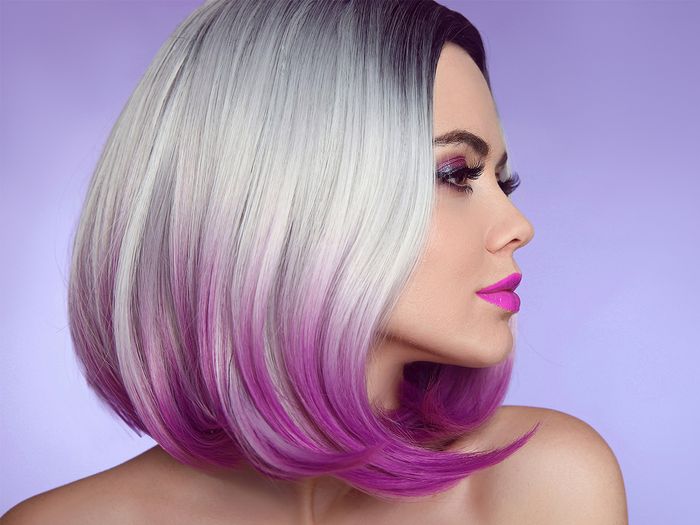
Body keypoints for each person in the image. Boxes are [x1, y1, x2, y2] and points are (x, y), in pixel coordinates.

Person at [2, 0, 627, 523]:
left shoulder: (536, 485)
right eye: (455, 173)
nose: (518, 227)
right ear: (286, 201)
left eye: (503, 182)